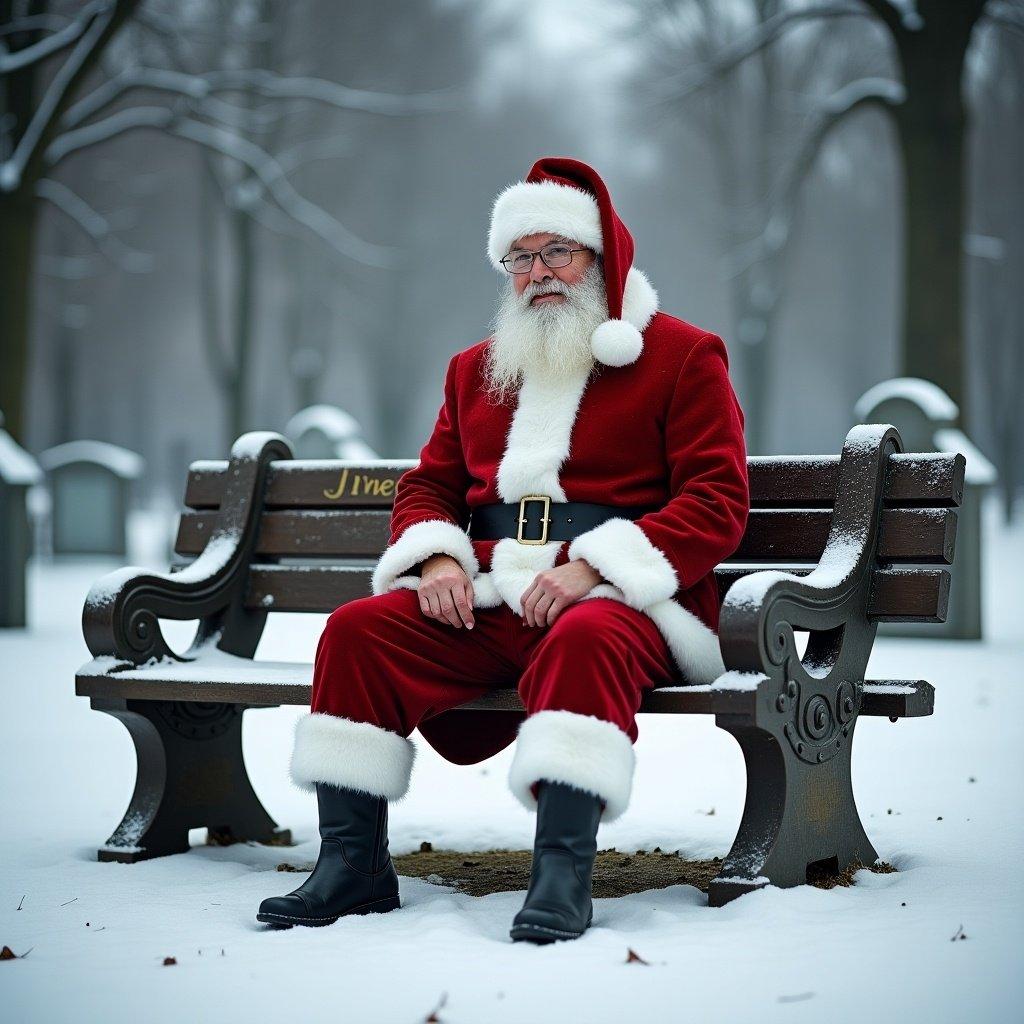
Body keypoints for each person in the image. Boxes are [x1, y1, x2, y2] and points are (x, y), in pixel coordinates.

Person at [257, 156, 750, 943]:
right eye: (520, 257)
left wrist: (599, 567)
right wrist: (439, 559)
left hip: (622, 603)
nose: (538, 273)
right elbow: (428, 488)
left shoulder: (683, 357)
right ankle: (353, 867)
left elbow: (717, 502)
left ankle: (561, 876)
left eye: (559, 251)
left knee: (587, 632)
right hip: (492, 598)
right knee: (358, 630)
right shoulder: (475, 372)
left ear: (603, 258)